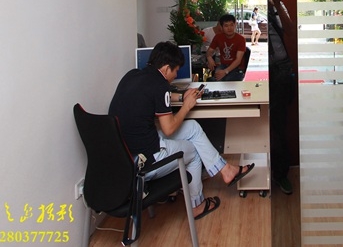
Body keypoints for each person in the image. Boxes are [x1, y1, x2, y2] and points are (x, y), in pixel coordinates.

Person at [108, 41, 254, 220]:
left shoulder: (133, 75)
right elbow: (169, 129)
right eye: (176, 70)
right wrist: (186, 106)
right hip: (145, 162)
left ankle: (226, 170)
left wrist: (181, 96)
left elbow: (156, 98)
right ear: (166, 68)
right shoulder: (159, 85)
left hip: (125, 156)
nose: (176, 75)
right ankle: (197, 206)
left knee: (193, 127)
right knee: (194, 151)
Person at [267, 0, 296, 195]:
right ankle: (261, 171)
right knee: (257, 123)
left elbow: (291, 30)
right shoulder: (249, 9)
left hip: (281, 71)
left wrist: (277, 4)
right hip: (258, 72)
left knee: (279, 124)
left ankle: (281, 173)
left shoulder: (276, 6)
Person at [206, 14, 247, 81]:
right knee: (217, 77)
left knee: (225, 80)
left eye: (231, 25)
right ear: (221, 27)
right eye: (226, 26)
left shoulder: (241, 39)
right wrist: (209, 58)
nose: (229, 28)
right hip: (223, 65)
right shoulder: (218, 37)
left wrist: (225, 71)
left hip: (237, 68)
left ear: (235, 25)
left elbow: (238, 60)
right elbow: (209, 51)